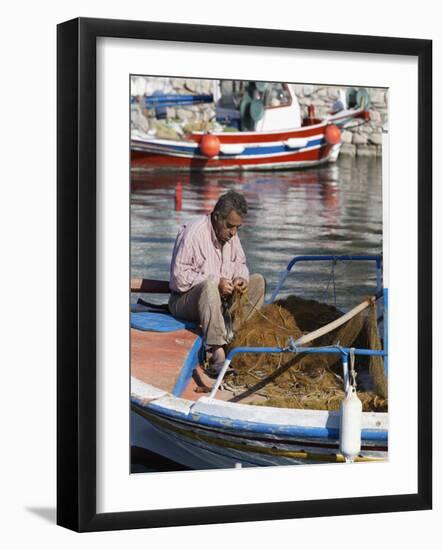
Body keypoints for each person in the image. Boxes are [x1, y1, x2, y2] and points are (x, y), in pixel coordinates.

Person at [168, 190, 265, 376]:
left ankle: (233, 337)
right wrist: (215, 282)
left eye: (238, 228)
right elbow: (178, 279)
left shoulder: (232, 235)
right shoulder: (193, 234)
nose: (233, 233)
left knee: (258, 281)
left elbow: (240, 264)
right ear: (217, 217)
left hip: (219, 302)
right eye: (230, 226)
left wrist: (240, 279)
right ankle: (216, 354)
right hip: (184, 301)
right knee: (209, 285)